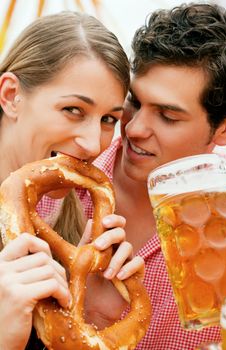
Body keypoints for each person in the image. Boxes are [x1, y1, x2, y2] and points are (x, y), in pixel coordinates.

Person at [46, 3, 226, 349]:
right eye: (134, 100)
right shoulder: (56, 183)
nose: (133, 128)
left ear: (224, 129)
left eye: (167, 116)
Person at [0, 11, 145, 350]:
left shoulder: (71, 225)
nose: (93, 144)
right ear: (10, 96)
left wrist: (95, 313)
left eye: (109, 119)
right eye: (73, 110)